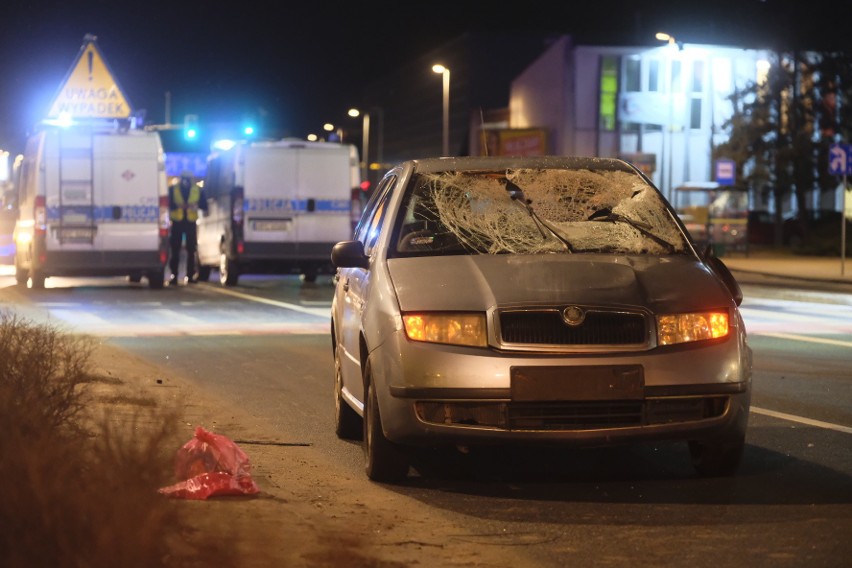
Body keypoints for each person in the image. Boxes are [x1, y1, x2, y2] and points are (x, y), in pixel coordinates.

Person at [168, 170, 208, 285]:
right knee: (175, 250)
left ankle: (190, 275)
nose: (186, 181)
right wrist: (177, 206)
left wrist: (195, 206)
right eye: (184, 178)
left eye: (188, 178)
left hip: (190, 222)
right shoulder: (173, 189)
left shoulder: (197, 190)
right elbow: (168, 203)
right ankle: (174, 275)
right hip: (177, 222)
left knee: (191, 250)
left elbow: (204, 205)